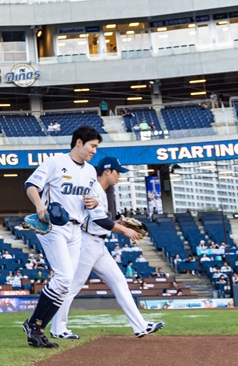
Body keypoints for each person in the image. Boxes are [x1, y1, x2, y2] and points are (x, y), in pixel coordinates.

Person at [50, 157, 164, 340]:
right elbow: (99, 220)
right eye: (118, 172)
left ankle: (141, 326)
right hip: (87, 243)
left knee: (120, 282)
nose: (119, 176)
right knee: (72, 286)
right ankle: (58, 328)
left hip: (98, 245)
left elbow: (100, 220)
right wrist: (124, 229)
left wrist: (117, 223)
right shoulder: (94, 188)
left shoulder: (100, 192)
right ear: (108, 171)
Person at [21, 125, 101, 348]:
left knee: (66, 284)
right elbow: (30, 185)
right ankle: (35, 325)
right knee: (64, 277)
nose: (94, 150)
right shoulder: (55, 162)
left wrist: (93, 202)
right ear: (78, 142)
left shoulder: (90, 171)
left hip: (76, 229)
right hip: (53, 226)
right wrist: (38, 205)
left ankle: (35, 327)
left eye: (96, 147)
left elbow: (91, 199)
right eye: (92, 146)